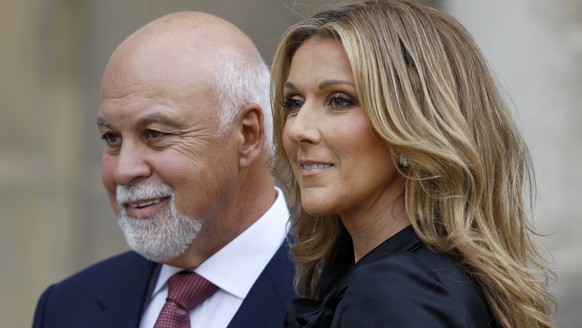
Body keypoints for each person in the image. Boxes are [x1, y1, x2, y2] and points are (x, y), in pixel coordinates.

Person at [270, 1, 556, 327]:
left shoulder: (396, 293)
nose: (297, 129)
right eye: (294, 102)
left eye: (339, 100)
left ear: (413, 126)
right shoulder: (422, 279)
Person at [33, 11, 295, 328]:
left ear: (248, 134)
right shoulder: (67, 307)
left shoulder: (342, 296)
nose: (124, 171)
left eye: (155, 134)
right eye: (111, 138)